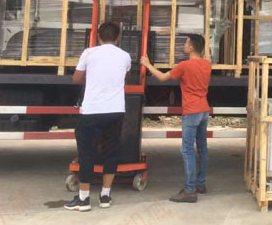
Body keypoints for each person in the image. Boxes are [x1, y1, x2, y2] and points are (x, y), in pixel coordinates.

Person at [65, 21, 131, 212]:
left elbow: (76, 79)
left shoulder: (89, 53)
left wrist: (92, 77)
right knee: (111, 152)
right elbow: (124, 77)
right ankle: (105, 196)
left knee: (87, 154)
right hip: (116, 110)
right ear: (118, 38)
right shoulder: (125, 56)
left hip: (93, 110)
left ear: (98, 36)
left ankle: (84, 199)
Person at [140, 34, 211, 203]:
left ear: (191, 48)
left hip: (191, 111)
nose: (184, 46)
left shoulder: (184, 66)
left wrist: (148, 65)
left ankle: (189, 190)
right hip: (204, 110)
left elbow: (162, 78)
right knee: (202, 148)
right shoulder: (207, 64)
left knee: (187, 150)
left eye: (186, 43)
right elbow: (205, 57)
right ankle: (200, 183)